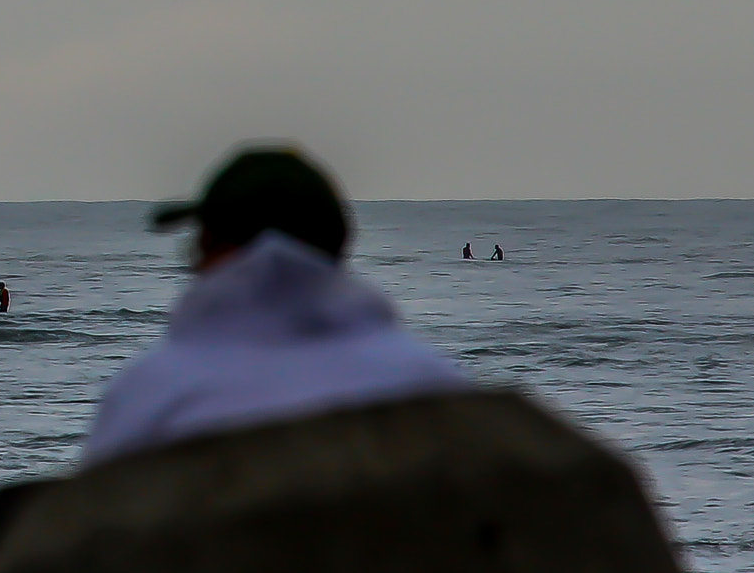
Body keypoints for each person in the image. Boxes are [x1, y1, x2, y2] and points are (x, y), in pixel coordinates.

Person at [82, 145, 469, 468]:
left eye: (199, 244)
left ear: (214, 247)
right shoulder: (431, 381)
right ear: (340, 242)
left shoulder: (154, 395)